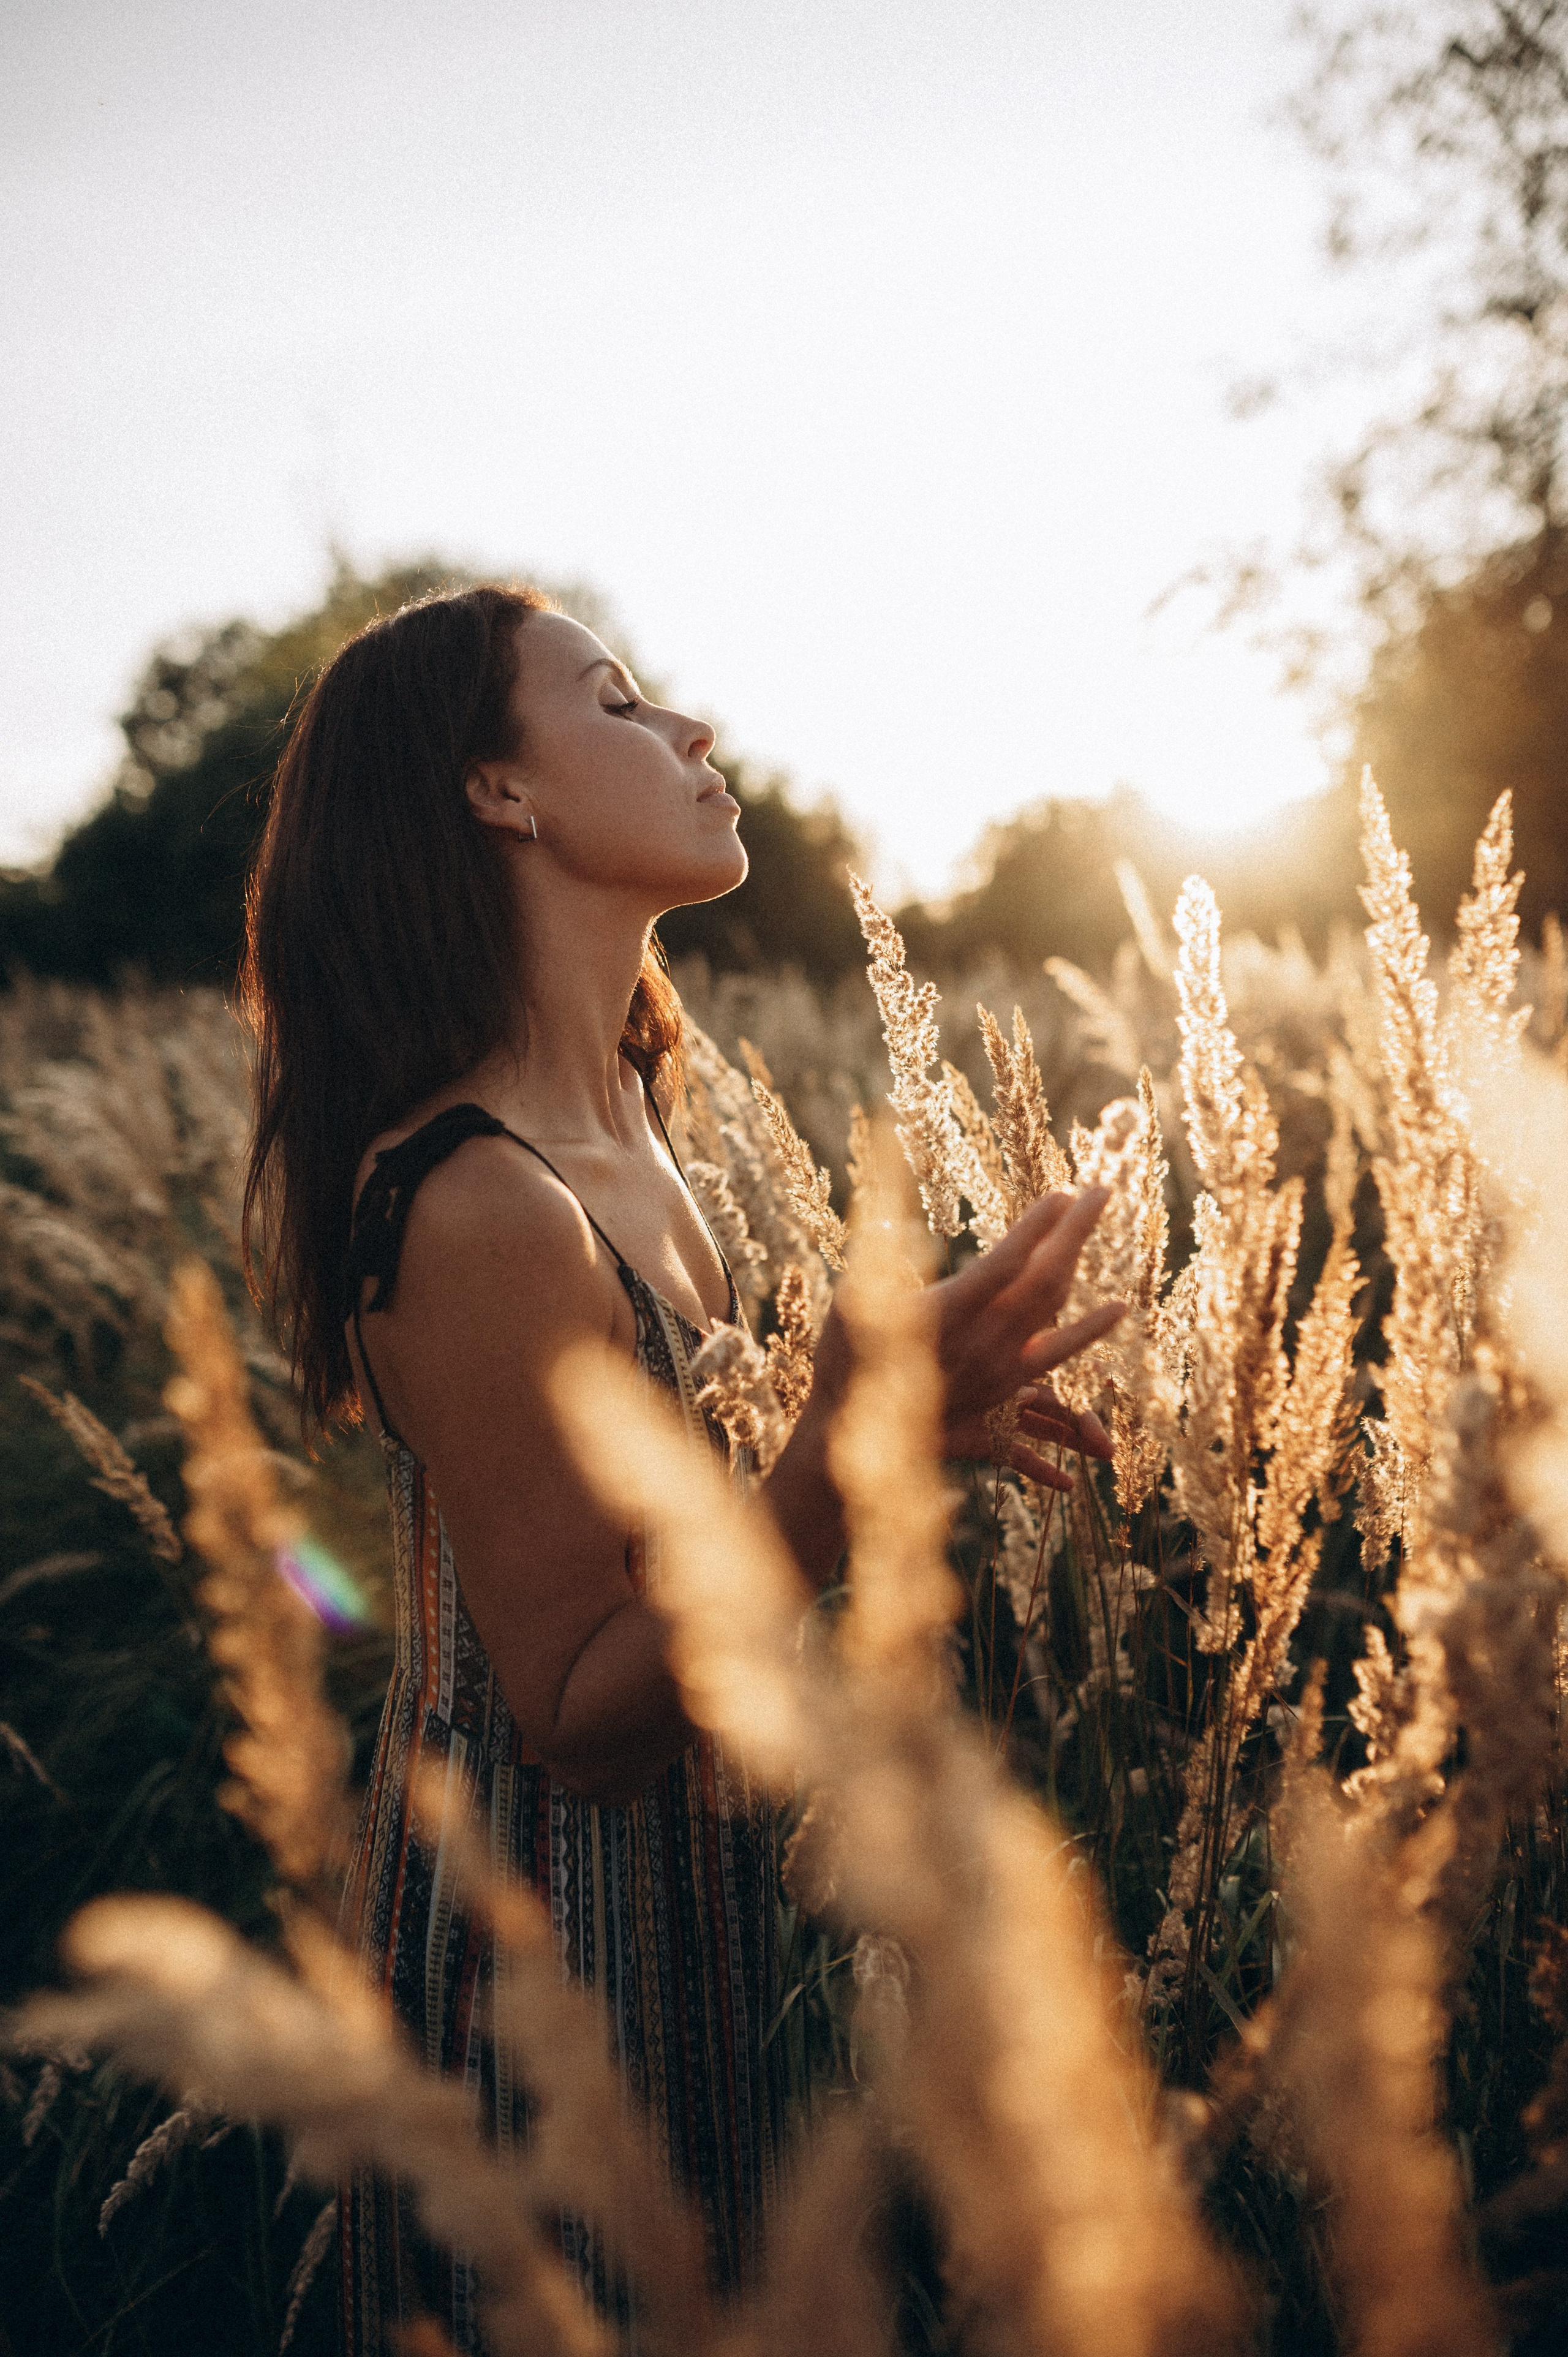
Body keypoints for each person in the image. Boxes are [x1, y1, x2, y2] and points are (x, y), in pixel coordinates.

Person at [240, 583, 1121, 2351]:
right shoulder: (478, 1200)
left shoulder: (635, 1119)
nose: (695, 735)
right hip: (546, 1965)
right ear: (502, 795)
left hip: (697, 1912)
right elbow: (573, 1701)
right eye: (624, 704)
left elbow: (686, 1554)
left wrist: (904, 1444)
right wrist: (843, 1465)